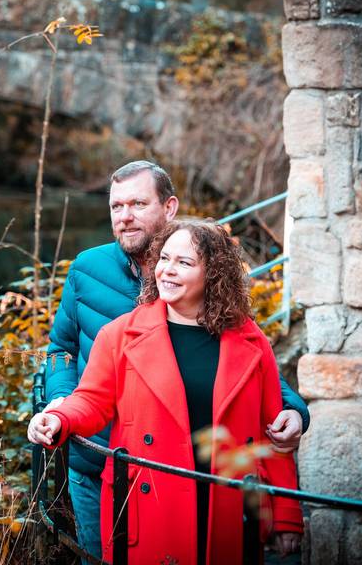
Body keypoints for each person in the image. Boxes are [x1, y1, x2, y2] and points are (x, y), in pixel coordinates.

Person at [43, 160, 308, 560]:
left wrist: (296, 412)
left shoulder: (243, 334)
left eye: (137, 203)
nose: (125, 217)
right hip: (106, 462)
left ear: (169, 208)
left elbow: (261, 406)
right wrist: (59, 407)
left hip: (212, 490)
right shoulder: (90, 275)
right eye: (116, 206)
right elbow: (67, 357)